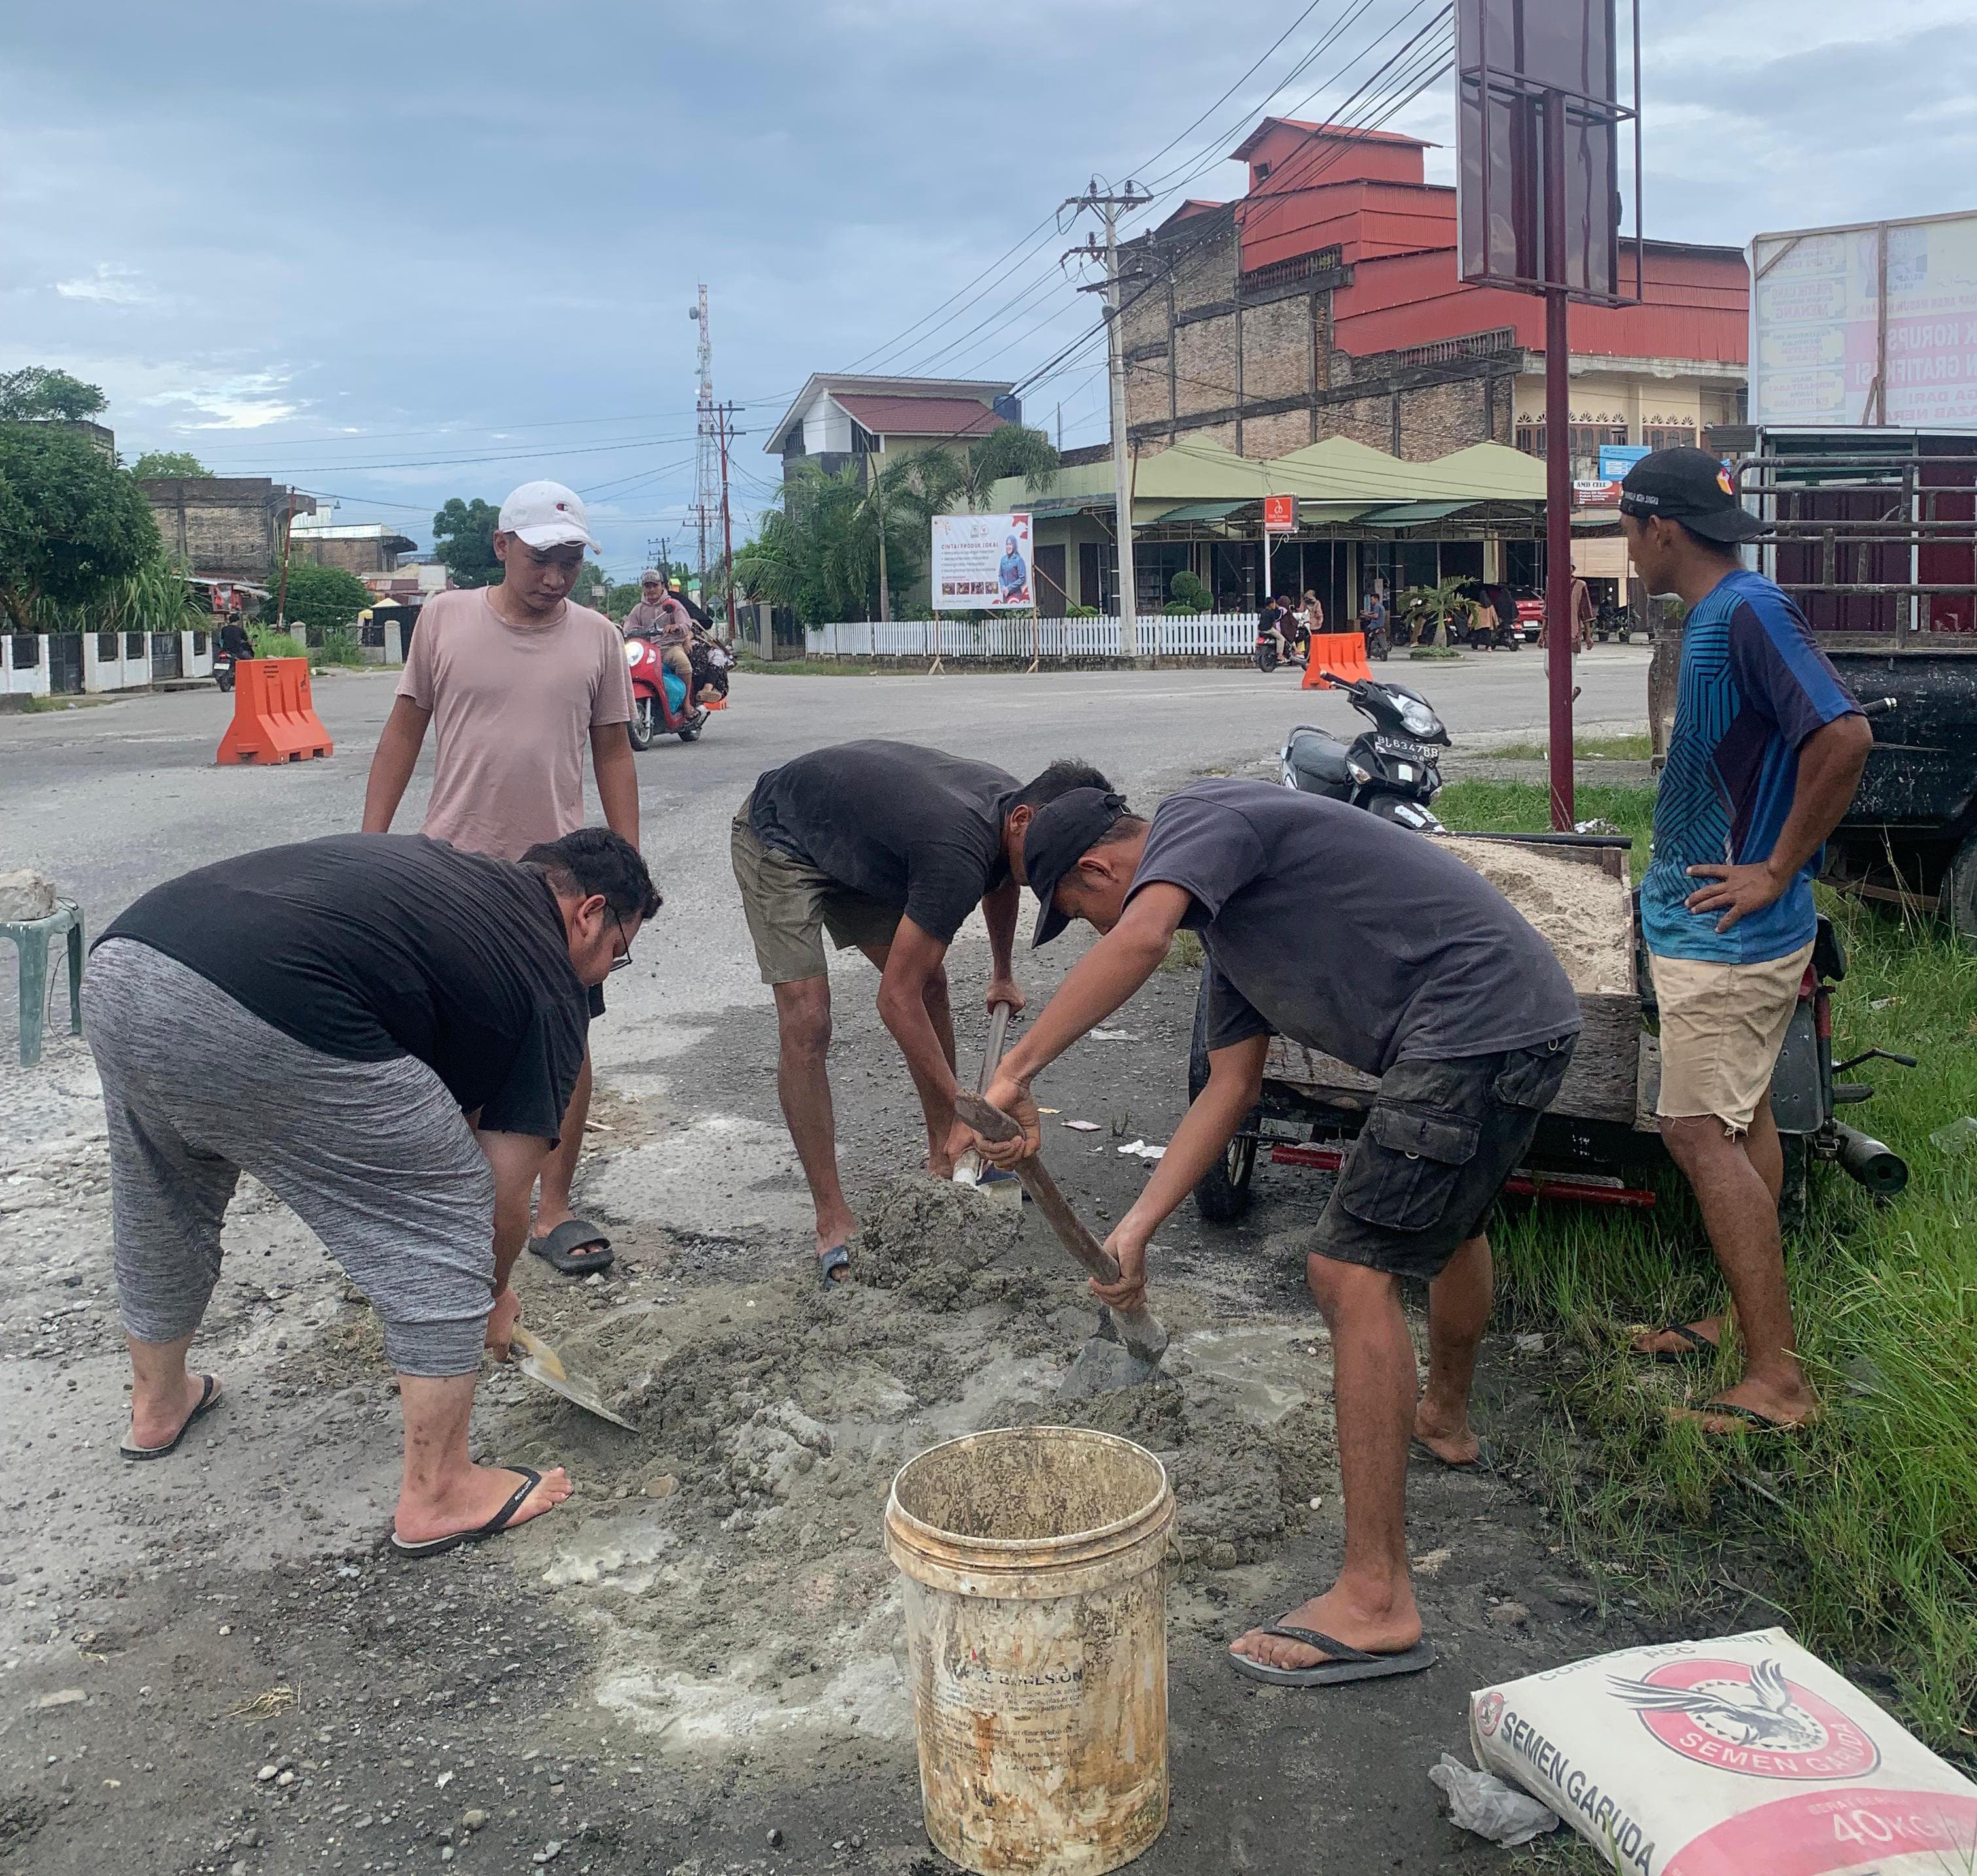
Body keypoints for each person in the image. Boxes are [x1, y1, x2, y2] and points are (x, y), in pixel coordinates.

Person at [956, 780, 1581, 1688]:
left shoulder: (1202, 819)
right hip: (1504, 1022)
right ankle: (1442, 1416)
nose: (1092, 926)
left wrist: (1015, 1069)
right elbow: (1229, 1088)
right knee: (1445, 1223)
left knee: (1346, 1270)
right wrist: (1136, 1229)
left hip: (1477, 1022)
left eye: (1078, 910)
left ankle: (1376, 1598)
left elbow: (1137, 937)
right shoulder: (1231, 934)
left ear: (1100, 867)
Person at [84, 826, 660, 1555]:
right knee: (447, 1206)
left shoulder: (457, 889)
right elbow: (502, 1194)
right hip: (260, 996)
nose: (605, 972)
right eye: (618, 950)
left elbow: (450, 1088)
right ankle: (440, 1490)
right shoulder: (550, 981)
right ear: (590, 911)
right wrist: (490, 1293)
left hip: (128, 966)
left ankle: (159, 1404)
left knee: (162, 1187)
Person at [1617, 447, 1872, 1433]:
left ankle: (1778, 1379)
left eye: (1629, 527)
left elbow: (1842, 738)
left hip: (1732, 937)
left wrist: (1774, 866)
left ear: (1663, 531)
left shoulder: (1748, 611)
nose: (1626, 546)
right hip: (1714, 928)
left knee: (1696, 1133)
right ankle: (1738, 1319)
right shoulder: (1720, 615)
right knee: (1745, 1119)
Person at [361, 480, 639, 1279]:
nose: (556, 577)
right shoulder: (445, 618)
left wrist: (625, 880)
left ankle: (552, 1205)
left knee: (568, 1038)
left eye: (571, 561)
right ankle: (450, 1210)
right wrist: (373, 845)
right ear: (501, 546)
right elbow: (405, 727)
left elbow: (614, 751)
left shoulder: (595, 636)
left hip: (561, 887)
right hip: (451, 872)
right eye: (541, 559)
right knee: (443, 1042)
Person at [731, 742, 1111, 1284]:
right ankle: (831, 1219)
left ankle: (943, 1156)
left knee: (929, 978)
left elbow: (1004, 878)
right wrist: (965, 1106)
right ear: (1022, 819)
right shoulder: (956, 847)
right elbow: (893, 1000)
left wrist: (1001, 971)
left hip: (855, 844)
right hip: (781, 835)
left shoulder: (1016, 819)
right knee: (808, 1018)